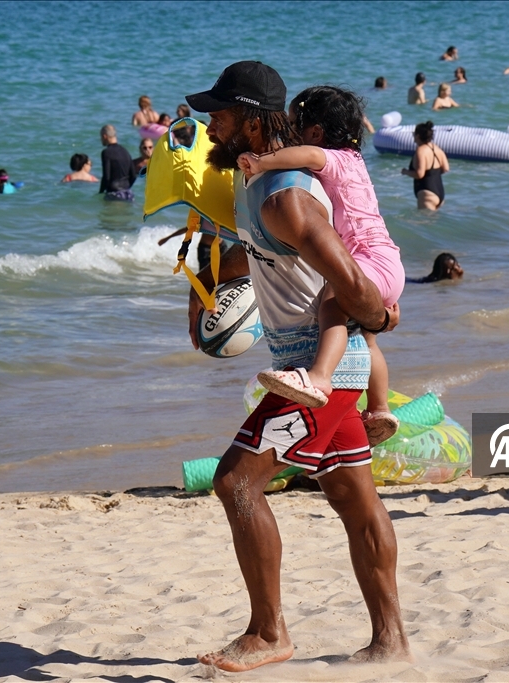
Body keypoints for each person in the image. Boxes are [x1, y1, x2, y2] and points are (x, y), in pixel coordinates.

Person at [183, 60, 410, 672]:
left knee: (235, 482)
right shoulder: (255, 184)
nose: (211, 127)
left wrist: (381, 316)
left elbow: (353, 284)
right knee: (353, 498)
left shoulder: (288, 197)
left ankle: (268, 634)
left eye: (221, 116)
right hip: (327, 371)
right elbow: (251, 253)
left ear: (254, 124)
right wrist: (206, 283)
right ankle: (390, 641)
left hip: (321, 375)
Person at [236, 84, 405, 446]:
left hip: (368, 260)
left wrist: (263, 162)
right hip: (387, 260)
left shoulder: (336, 158)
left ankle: (320, 376)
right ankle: (378, 407)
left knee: (333, 298)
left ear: (315, 132)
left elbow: (310, 156)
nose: (288, 135)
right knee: (367, 337)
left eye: (294, 126)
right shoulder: (356, 162)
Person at [401, 121, 449, 210]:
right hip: (439, 192)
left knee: (422, 222)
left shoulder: (421, 150)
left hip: (427, 194)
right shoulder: (436, 148)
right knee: (432, 223)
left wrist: (406, 172)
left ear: (418, 136)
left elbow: (420, 174)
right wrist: (432, 174)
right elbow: (446, 168)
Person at [98, 124, 137, 201]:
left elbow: (106, 177)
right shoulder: (125, 151)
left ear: (105, 136)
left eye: (101, 137)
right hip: (128, 194)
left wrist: (101, 193)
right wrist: (126, 187)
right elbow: (133, 175)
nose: (101, 139)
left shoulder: (106, 152)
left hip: (114, 193)